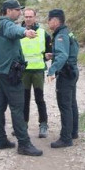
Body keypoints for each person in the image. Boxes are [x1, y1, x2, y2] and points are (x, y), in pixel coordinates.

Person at [0, 0, 43, 156]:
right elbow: (13, 30)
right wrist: (25, 32)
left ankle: (0, 140)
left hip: (0, 72)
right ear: (8, 11)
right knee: (17, 108)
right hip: (10, 74)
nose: (20, 12)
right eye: (17, 10)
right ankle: (24, 144)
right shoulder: (7, 24)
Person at [46, 9, 80, 148]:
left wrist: (52, 70)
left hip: (66, 73)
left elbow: (63, 55)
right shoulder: (67, 32)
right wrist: (53, 55)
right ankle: (73, 132)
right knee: (71, 103)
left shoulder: (61, 35)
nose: (48, 23)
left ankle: (65, 138)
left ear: (55, 20)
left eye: (49, 20)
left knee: (65, 105)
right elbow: (69, 51)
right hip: (72, 70)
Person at [20, 8, 51, 138]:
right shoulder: (18, 33)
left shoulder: (44, 33)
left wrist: (47, 56)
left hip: (38, 71)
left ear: (35, 17)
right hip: (23, 72)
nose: (28, 19)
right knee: (24, 100)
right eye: (26, 16)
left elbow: (49, 52)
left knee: (39, 99)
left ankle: (43, 124)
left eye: (30, 16)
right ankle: (23, 125)